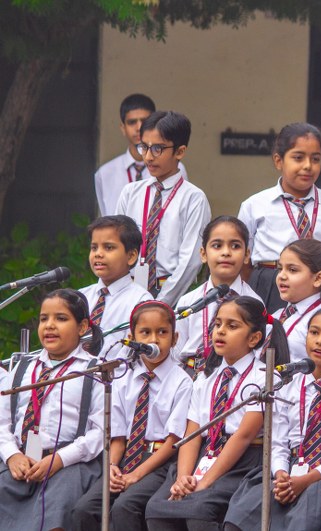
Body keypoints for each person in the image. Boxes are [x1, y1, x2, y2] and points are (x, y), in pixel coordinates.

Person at [224, 306, 321, 531]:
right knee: (242, 513)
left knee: (302, 520)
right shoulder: (288, 386)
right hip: (290, 466)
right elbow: (278, 442)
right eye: (314, 333)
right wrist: (281, 475)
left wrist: (304, 481)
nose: (320, 341)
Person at [145, 296, 269, 529]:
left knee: (198, 510)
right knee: (156, 509)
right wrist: (184, 477)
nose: (220, 331)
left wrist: (205, 482)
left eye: (232, 326)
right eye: (218, 324)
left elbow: (243, 437)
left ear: (254, 338)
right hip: (206, 451)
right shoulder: (206, 377)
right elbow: (192, 432)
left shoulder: (263, 378)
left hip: (243, 460)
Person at [72, 301, 192, 530]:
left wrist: (136, 475)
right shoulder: (122, 377)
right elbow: (118, 437)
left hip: (159, 461)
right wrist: (112, 466)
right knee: (84, 509)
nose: (154, 340)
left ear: (175, 338)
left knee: (124, 507)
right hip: (126, 457)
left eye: (162, 332)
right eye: (145, 333)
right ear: (132, 338)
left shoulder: (181, 381)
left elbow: (173, 441)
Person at [0, 289, 104, 530]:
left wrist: (59, 459)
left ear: (82, 327)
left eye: (61, 318)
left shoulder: (95, 370)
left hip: (69, 464)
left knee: (54, 516)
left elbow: (101, 432)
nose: (49, 325)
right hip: (21, 460)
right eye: (44, 318)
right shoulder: (22, 368)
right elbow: (2, 421)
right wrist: (12, 455)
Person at [238, 123, 321, 314]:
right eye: (298, 158)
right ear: (278, 161)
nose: (308, 166)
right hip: (270, 287)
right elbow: (244, 261)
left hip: (320, 288)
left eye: (315, 159)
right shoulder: (255, 205)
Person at [116, 110, 211, 306]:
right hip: (129, 293)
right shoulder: (130, 193)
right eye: (144, 147)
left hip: (170, 295)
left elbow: (190, 262)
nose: (148, 157)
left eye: (157, 149)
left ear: (180, 151)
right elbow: (116, 246)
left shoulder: (193, 199)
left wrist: (160, 304)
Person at [174, 216, 262, 375]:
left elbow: (256, 352)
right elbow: (176, 352)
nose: (226, 252)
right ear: (203, 254)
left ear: (247, 255)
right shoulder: (189, 301)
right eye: (217, 246)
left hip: (232, 376)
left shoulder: (254, 302)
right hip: (189, 373)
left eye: (235, 246)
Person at [95, 94, 188, 216]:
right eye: (132, 122)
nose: (139, 127)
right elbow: (107, 219)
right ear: (123, 128)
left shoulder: (175, 167)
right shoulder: (104, 173)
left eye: (145, 121)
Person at [80, 215, 152, 357]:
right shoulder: (80, 297)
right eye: (94, 248)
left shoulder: (141, 302)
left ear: (131, 256)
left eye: (108, 247)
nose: (98, 254)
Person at [274, 238, 321, 362]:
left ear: (318, 278)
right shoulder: (277, 315)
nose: (282, 276)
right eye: (280, 269)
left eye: (292, 270)